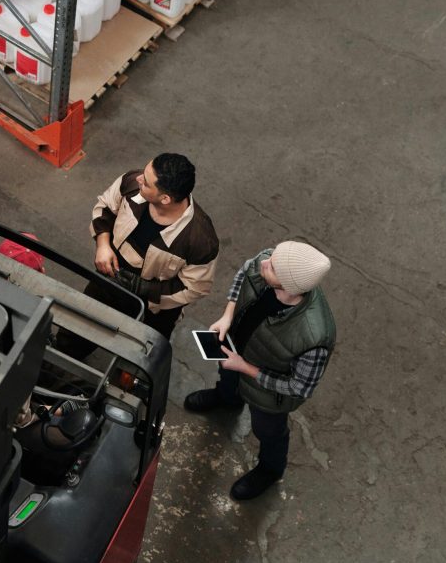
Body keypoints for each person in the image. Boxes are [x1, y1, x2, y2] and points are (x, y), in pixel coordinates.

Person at [184, 241, 335, 501]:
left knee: (269, 431)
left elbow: (299, 387)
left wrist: (245, 367)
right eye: (272, 258)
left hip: (268, 394)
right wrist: (228, 315)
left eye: (273, 267)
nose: (264, 262)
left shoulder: (315, 336)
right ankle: (227, 400)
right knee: (228, 381)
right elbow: (244, 274)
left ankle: (270, 470)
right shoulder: (267, 262)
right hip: (236, 352)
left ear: (289, 286)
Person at [88, 153, 219, 339]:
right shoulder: (131, 184)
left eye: (147, 182)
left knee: (138, 350)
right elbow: (106, 207)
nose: (139, 178)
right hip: (107, 282)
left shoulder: (201, 240)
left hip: (153, 314)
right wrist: (102, 245)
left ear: (165, 199)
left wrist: (144, 289)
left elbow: (194, 287)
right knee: (79, 330)